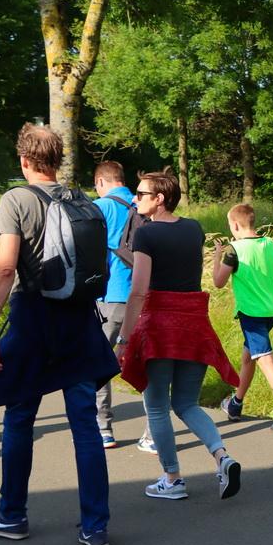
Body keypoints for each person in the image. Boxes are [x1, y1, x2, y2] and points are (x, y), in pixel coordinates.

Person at [0, 123, 119, 545]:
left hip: (34, 318)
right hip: (79, 319)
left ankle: (12, 514)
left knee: (20, 415)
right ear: (58, 159)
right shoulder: (82, 201)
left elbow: (5, 267)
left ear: (24, 160)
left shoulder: (17, 199)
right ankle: (95, 526)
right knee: (85, 425)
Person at [117, 168, 242, 502]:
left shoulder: (146, 234)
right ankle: (222, 457)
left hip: (160, 326)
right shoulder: (193, 228)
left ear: (159, 199)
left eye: (141, 194)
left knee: (157, 407)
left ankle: (172, 478)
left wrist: (124, 340)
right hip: (194, 324)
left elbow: (139, 290)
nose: (135, 200)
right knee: (186, 403)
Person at [212, 203, 273, 433]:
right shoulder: (269, 243)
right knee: (248, 357)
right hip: (271, 310)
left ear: (235, 225)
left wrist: (217, 257)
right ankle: (236, 404)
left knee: (264, 360)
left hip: (251, 313)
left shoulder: (234, 250)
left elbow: (218, 282)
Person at [92, 160, 155, 453]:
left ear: (100, 182)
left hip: (111, 297)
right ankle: (153, 432)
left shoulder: (100, 208)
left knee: (99, 365)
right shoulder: (144, 203)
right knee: (147, 367)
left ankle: (104, 429)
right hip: (145, 298)